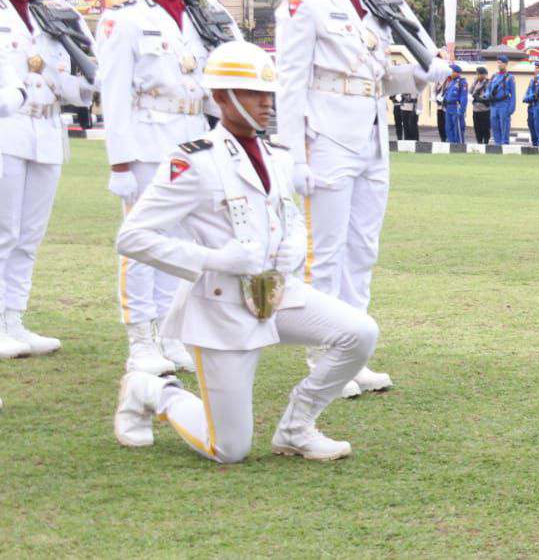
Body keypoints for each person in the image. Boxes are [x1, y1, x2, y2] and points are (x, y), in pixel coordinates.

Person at [112, 41, 379, 463]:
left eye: (269, 94)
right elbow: (132, 237)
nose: (266, 104)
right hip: (221, 308)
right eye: (253, 93)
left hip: (275, 293)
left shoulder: (275, 156)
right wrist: (211, 260)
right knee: (229, 449)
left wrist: (294, 242)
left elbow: (285, 213)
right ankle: (151, 390)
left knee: (359, 333)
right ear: (220, 98)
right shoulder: (193, 162)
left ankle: (297, 427)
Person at [273, 0, 448, 398]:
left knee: (362, 251)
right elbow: (289, 83)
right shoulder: (303, 6)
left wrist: (417, 74)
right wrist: (293, 154)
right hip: (325, 138)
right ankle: (323, 354)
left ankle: (352, 353)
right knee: (325, 254)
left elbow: (374, 79)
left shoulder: (374, 8)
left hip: (371, 136)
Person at [97, 0, 241, 375]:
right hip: (144, 141)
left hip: (192, 137)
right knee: (142, 244)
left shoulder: (201, 20)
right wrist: (118, 161)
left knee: (181, 244)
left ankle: (171, 334)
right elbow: (114, 93)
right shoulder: (125, 20)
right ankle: (141, 338)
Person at [0, 0, 94, 360]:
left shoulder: (47, 15)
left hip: (47, 131)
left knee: (30, 236)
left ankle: (14, 319)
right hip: (8, 129)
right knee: (4, 232)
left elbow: (68, 77)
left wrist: (87, 82)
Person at [487, 56, 516, 145]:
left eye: (501, 63)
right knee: (494, 124)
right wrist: (487, 96)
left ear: (506, 64)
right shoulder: (493, 76)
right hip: (494, 105)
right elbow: (488, 89)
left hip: (504, 104)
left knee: (504, 125)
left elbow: (513, 94)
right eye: (498, 63)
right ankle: (497, 143)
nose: (499, 65)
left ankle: (505, 143)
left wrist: (511, 108)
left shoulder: (510, 77)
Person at [441, 65, 468, 144]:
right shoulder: (451, 82)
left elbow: (464, 97)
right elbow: (447, 93)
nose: (450, 73)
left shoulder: (462, 82)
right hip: (448, 108)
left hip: (456, 107)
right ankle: (451, 144)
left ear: (457, 73)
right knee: (448, 128)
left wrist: (462, 110)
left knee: (458, 129)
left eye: (452, 72)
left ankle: (459, 146)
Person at [469, 67, 492, 144]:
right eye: (477, 74)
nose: (477, 75)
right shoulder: (475, 82)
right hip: (475, 110)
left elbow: (488, 96)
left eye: (479, 74)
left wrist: (478, 98)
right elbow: (470, 92)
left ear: (484, 75)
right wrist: (474, 81)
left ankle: (486, 143)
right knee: (477, 128)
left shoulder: (488, 83)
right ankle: (479, 142)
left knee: (485, 128)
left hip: (484, 110)